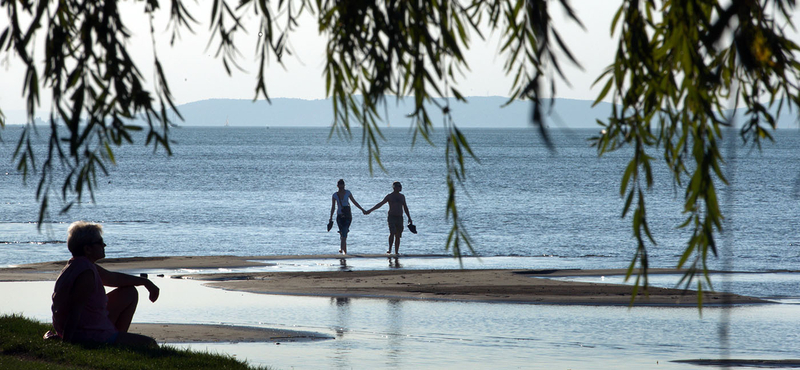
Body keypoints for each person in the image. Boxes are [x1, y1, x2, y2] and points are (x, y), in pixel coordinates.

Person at [49, 221, 160, 347]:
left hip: (89, 325)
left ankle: (116, 339)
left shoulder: (80, 265)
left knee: (129, 293)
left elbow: (113, 278)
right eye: (100, 243)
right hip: (86, 333)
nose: (104, 245)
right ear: (87, 249)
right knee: (151, 344)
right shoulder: (85, 274)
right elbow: (74, 311)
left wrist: (145, 282)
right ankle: (112, 342)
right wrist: (67, 343)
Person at [365, 181, 412, 255]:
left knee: (398, 235)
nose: (400, 188)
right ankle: (389, 249)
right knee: (392, 232)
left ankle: (396, 252)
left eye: (400, 186)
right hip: (392, 217)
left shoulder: (402, 196)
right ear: (394, 187)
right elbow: (380, 204)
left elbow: (405, 207)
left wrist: (409, 218)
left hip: (400, 217)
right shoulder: (390, 196)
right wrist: (370, 210)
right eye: (399, 186)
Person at [329, 179, 366, 254]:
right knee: (342, 234)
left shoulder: (348, 193)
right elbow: (333, 207)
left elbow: (354, 202)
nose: (341, 188)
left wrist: (362, 209)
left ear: (344, 186)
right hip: (339, 216)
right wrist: (331, 217)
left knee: (345, 231)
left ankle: (341, 248)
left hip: (347, 215)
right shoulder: (335, 195)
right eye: (340, 186)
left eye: (342, 186)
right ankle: (345, 253)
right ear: (337, 186)